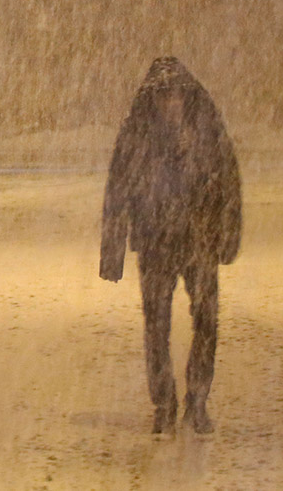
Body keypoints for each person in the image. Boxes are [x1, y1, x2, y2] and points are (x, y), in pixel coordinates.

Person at [99, 57, 242, 435]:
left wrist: (228, 237)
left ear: (187, 96)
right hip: (155, 242)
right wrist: (112, 252)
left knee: (207, 321)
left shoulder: (206, 128)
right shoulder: (137, 133)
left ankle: (197, 400)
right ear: (153, 101)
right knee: (156, 325)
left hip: (199, 240)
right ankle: (164, 402)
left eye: (176, 96)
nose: (170, 104)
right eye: (163, 98)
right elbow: (118, 189)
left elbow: (228, 181)